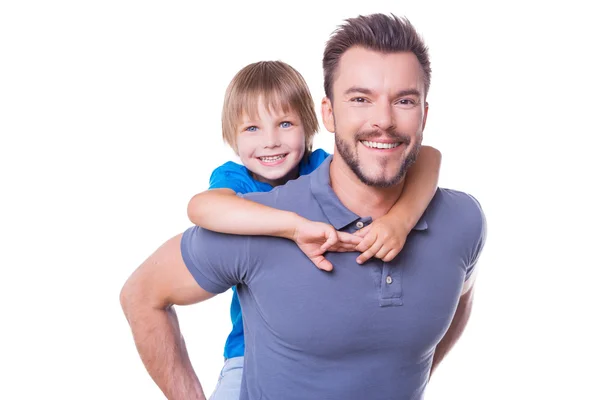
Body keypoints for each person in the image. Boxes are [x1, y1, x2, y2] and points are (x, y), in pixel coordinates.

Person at [120, 13, 486, 400]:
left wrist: (401, 219)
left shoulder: (463, 221)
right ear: (329, 113)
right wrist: (293, 227)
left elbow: (460, 285)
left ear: (424, 114)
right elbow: (142, 294)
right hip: (242, 358)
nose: (383, 120)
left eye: (404, 100)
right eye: (360, 99)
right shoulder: (253, 216)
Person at [184, 60, 441, 400]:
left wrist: (400, 220)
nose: (271, 142)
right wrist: (293, 227)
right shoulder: (236, 181)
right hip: (249, 353)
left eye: (285, 123)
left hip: (336, 347)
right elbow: (201, 208)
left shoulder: (323, 168)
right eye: (252, 129)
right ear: (230, 135)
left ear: (310, 124)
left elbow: (428, 157)